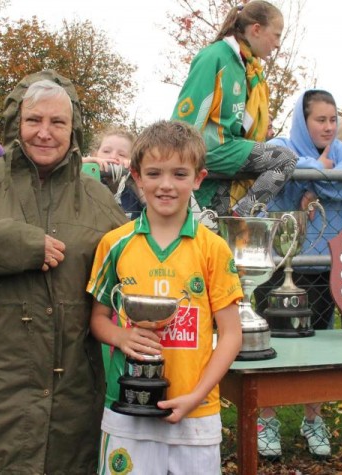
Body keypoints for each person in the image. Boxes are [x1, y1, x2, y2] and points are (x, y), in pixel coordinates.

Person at [0, 70, 128, 474]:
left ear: (74, 129)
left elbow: (132, 269)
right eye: (34, 120)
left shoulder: (99, 200)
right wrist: (16, 243)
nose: (44, 133)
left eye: (57, 122)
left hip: (69, 401)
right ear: (18, 123)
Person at [87, 120, 243, 474]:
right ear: (137, 176)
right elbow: (97, 319)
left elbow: (232, 334)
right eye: (154, 173)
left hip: (195, 412)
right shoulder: (115, 244)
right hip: (126, 411)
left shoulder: (213, 248)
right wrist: (122, 335)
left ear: (198, 179)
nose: (166, 185)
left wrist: (196, 396)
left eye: (179, 174)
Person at [254, 90, 342, 458]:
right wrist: (320, 169)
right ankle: (267, 419)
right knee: (270, 344)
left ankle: (313, 418)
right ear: (303, 121)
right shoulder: (280, 145)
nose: (329, 127)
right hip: (278, 264)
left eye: (333, 119)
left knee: (318, 346)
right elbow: (279, 162)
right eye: (320, 120)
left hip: (322, 266)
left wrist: (309, 176)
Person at [172, 0, 296, 217]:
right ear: (256, 29)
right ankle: (240, 218)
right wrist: (177, 163)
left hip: (229, 154)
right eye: (276, 35)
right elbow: (187, 115)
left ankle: (228, 224)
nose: (278, 44)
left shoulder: (249, 67)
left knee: (214, 230)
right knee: (284, 159)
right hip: (213, 150)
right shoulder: (216, 56)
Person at [83, 127, 145, 219]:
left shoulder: (133, 190)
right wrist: (85, 162)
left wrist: (135, 176)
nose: (113, 156)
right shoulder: (84, 177)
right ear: (95, 154)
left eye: (122, 154)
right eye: (106, 151)